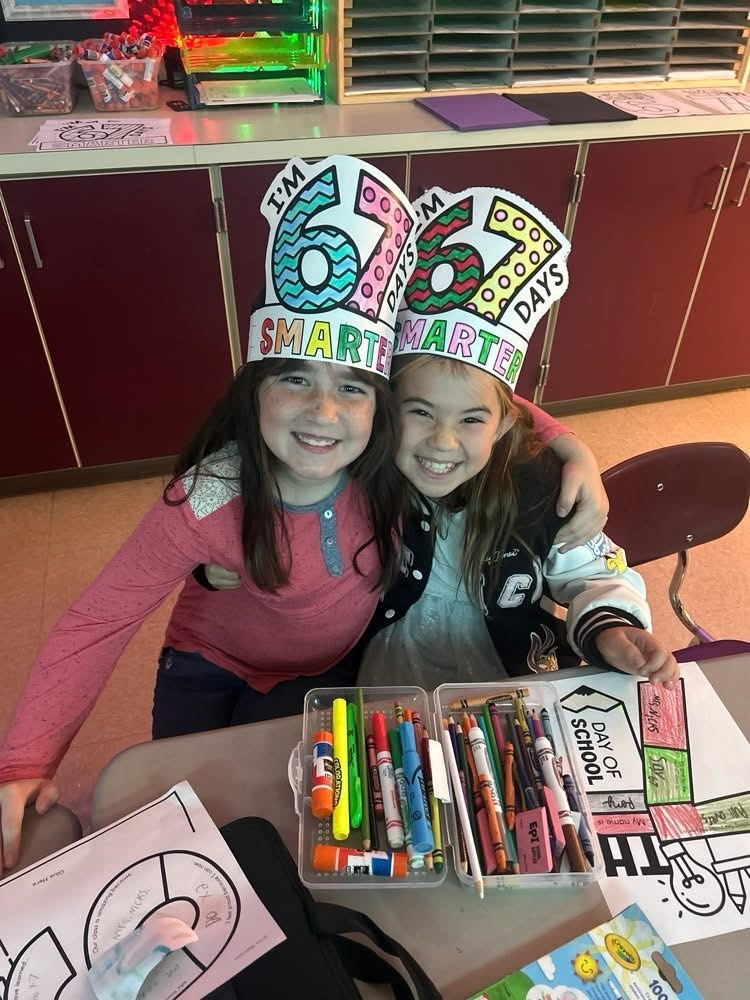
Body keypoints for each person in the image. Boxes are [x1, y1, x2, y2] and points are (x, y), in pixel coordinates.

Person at [0, 154, 416, 874]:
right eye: (295, 378)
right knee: (173, 820)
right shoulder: (210, 494)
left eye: (352, 387)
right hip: (206, 664)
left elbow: (469, 406)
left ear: (381, 406)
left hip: (320, 675)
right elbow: (98, 620)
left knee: (271, 827)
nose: (322, 413)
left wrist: (560, 441)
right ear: (254, 387)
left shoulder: (396, 463)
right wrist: (24, 760)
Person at [356, 182, 678, 691]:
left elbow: (596, 571)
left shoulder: (539, 487)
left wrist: (612, 625)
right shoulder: (364, 474)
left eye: (470, 420)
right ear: (388, 411)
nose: (442, 442)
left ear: (504, 423)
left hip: (512, 690)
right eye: (420, 412)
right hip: (382, 690)